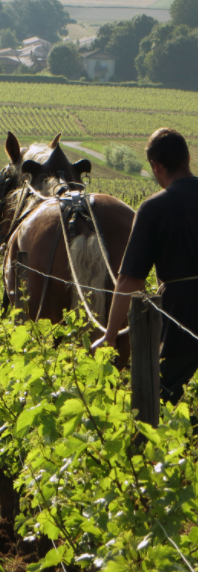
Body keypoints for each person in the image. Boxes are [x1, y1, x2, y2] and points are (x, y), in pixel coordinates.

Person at [92, 128, 198, 404]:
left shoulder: (154, 208)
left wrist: (111, 336)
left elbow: (131, 280)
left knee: (158, 403)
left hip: (182, 320)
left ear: (156, 166)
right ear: (187, 157)